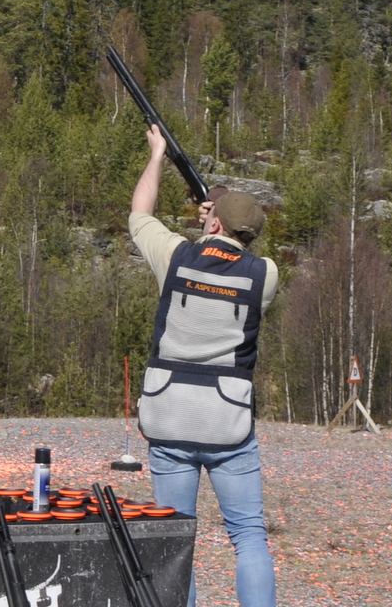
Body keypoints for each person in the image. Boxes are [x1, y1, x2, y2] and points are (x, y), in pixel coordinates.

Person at [129, 126, 278, 607]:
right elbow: (231, 258)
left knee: (177, 540)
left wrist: (157, 155)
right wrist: (215, 223)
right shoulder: (265, 275)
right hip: (227, 423)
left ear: (213, 224)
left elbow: (139, 214)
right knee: (249, 536)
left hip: (170, 416)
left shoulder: (176, 257)